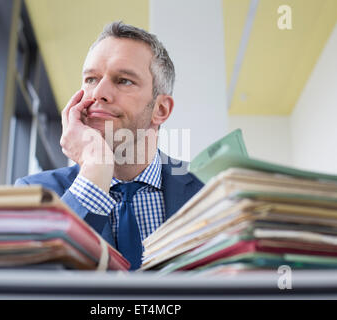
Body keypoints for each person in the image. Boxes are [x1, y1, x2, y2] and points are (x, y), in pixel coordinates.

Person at [15, 21, 203, 269]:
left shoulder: (207, 192)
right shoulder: (34, 192)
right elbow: (32, 283)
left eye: (123, 80)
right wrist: (95, 171)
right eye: (91, 79)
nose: (99, 93)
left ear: (160, 109)